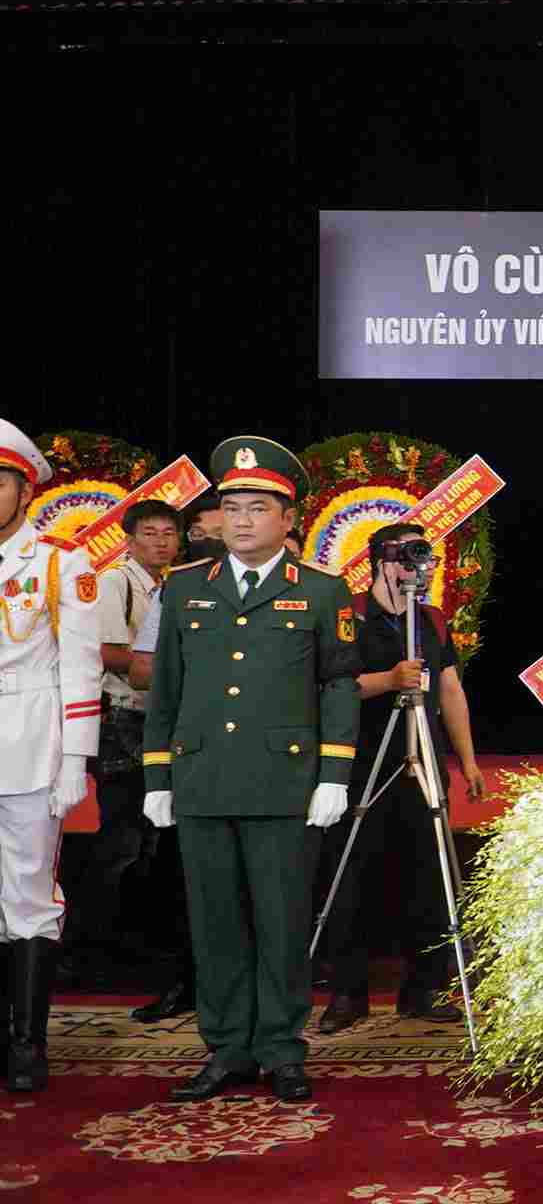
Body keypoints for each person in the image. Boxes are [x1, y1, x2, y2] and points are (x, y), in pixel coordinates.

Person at [141, 437, 358, 1102]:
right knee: (214, 925)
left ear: (288, 519)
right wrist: (157, 777)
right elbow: (165, 690)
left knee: (283, 921)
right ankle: (228, 1048)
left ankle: (283, 1049)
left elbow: (339, 686)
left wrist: (334, 775)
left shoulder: (322, 591)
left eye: (257, 508)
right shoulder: (183, 590)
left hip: (285, 785)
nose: (240, 520)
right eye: (230, 508)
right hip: (203, 781)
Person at [314, 521, 485, 1033]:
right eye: (403, 558)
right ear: (378, 561)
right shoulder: (351, 616)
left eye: (420, 558)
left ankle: (425, 986)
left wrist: (469, 760)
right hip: (361, 759)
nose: (412, 569)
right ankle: (347, 991)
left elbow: (450, 691)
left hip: (424, 760)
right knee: (351, 871)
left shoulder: (430, 620)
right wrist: (388, 681)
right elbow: (329, 686)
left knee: (428, 872)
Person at [0, 418, 102, 1093]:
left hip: (30, 740)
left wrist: (76, 761)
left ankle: (26, 1042)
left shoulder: (61, 560)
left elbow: (83, 666)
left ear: (23, 488)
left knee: (28, 894)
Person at [66, 499, 181, 986]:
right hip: (123, 721)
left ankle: (132, 942)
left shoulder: (173, 585)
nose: (160, 542)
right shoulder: (115, 583)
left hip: (161, 719)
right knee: (122, 837)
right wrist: (164, 668)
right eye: (150, 533)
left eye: (168, 534)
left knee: (152, 837)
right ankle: (84, 950)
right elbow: (105, 652)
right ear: (129, 540)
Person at [123, 542, 214, 1023]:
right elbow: (142, 671)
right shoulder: (175, 594)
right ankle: (187, 981)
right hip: (186, 747)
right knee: (180, 877)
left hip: (260, 754)